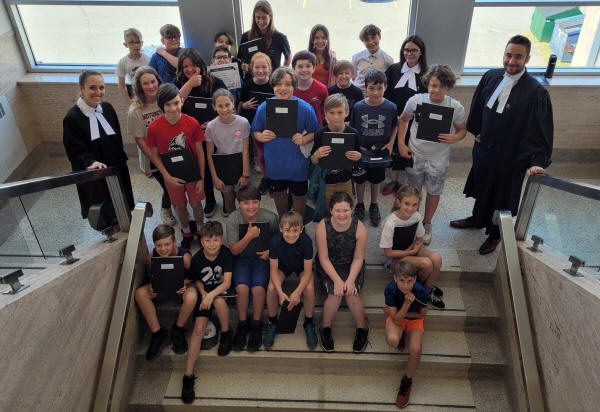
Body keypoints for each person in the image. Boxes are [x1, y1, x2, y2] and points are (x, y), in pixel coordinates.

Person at [450, 35, 553, 255]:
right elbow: (478, 105)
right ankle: (477, 219)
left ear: (527, 58)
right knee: (483, 185)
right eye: (508, 55)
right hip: (484, 149)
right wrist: (476, 131)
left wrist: (536, 162)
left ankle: (495, 234)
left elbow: (541, 131)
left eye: (518, 57)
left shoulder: (536, 92)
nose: (511, 61)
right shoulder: (491, 76)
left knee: (503, 196)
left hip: (511, 156)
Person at [397, 65, 466, 245]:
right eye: (433, 85)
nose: (436, 89)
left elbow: (462, 130)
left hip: (438, 158)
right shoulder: (416, 101)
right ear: (427, 83)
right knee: (413, 190)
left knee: (434, 191)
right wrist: (401, 144)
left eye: (441, 86)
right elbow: (403, 120)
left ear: (448, 87)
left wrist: (455, 137)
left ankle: (427, 223)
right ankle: (411, 221)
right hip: (416, 153)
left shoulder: (455, 107)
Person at [63, 70, 134, 221]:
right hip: (96, 173)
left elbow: (117, 138)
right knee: (105, 210)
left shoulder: (107, 108)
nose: (98, 92)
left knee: (123, 201)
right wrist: (90, 162)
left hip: (116, 167)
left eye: (101, 88)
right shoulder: (72, 118)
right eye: (93, 88)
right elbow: (75, 151)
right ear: (81, 88)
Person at [251, 67, 319, 218]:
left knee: (299, 196)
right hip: (275, 163)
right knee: (279, 194)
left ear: (294, 86)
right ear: (273, 86)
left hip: (298, 163)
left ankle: (298, 223)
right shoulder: (264, 108)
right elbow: (255, 131)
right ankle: (283, 221)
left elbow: (316, 132)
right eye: (278, 84)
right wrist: (261, 136)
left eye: (288, 84)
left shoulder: (305, 108)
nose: (283, 88)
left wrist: (304, 139)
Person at [146, 83, 205, 250]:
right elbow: (154, 154)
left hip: (192, 173)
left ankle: (200, 229)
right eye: (168, 104)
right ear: (161, 106)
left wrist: (201, 177)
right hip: (172, 174)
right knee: (179, 205)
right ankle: (186, 231)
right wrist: (166, 176)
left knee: (196, 204)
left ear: (182, 101)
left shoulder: (192, 122)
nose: (173, 108)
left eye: (176, 103)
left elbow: (200, 152)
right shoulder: (154, 128)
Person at [181, 221, 233, 404]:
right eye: (208, 240)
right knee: (198, 329)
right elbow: (198, 280)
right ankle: (188, 376)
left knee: (219, 302)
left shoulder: (226, 254)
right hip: (205, 295)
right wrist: (203, 294)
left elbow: (226, 283)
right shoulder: (196, 259)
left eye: (216, 240)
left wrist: (210, 295)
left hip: (219, 293)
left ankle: (226, 332)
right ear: (201, 241)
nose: (212, 244)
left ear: (221, 240)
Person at [175, 48, 227, 218]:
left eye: (194, 65)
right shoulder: (178, 83)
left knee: (219, 167)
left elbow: (227, 105)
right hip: (191, 137)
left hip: (214, 133)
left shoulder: (215, 82)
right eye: (185, 66)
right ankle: (210, 199)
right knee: (201, 169)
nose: (189, 69)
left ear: (201, 65)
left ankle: (227, 198)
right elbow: (173, 105)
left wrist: (212, 123)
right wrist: (189, 84)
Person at [226, 186, 279, 352]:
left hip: (261, 260)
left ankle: (256, 323)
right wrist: (249, 236)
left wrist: (270, 252)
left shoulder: (270, 217)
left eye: (255, 202)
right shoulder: (233, 218)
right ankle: (242, 323)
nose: (251, 206)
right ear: (239, 204)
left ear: (260, 202)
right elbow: (234, 250)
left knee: (257, 289)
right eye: (246, 203)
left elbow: (278, 242)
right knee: (241, 288)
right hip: (241, 259)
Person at [315, 192, 369, 353]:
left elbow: (359, 258)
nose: (342, 214)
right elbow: (323, 258)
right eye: (338, 210)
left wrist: (350, 280)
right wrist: (337, 281)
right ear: (331, 210)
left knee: (351, 293)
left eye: (346, 210)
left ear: (352, 210)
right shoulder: (322, 227)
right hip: (329, 264)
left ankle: (362, 328)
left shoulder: (360, 228)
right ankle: (325, 327)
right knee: (335, 293)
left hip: (351, 263)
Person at [134, 224, 196, 361]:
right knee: (140, 293)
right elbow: (151, 275)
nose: (163, 249)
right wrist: (152, 285)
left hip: (180, 289)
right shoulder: (151, 257)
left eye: (167, 244)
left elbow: (193, 276)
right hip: (162, 289)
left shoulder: (185, 257)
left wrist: (183, 284)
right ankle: (157, 333)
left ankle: (178, 328)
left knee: (192, 296)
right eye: (159, 245)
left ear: (174, 242)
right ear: (154, 245)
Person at [379, 185, 444, 309]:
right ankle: (418, 291)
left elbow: (419, 237)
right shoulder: (390, 223)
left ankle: (426, 290)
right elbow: (388, 253)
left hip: (409, 250)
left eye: (414, 205)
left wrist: (415, 248)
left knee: (436, 258)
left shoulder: (417, 216)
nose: (410, 208)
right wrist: (411, 251)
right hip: (393, 259)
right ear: (399, 202)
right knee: (427, 264)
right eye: (407, 204)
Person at [128, 66, 176, 226]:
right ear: (139, 87)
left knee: (174, 181)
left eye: (153, 81)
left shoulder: (164, 99)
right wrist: (156, 161)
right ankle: (165, 208)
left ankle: (176, 203)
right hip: (152, 157)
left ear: (158, 81)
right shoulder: (135, 110)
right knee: (167, 184)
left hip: (171, 150)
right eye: (145, 83)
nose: (151, 86)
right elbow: (140, 140)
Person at [350, 69, 397, 227]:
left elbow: (394, 126)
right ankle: (360, 203)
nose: (376, 92)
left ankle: (374, 204)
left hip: (379, 152)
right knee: (360, 178)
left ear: (386, 87)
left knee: (376, 179)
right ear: (365, 88)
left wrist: (391, 143)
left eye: (379, 88)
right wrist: (357, 146)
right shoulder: (358, 107)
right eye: (371, 88)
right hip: (362, 151)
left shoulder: (391, 107)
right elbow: (353, 129)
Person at [263, 211, 316, 350]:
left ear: (301, 229)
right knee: (271, 288)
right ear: (281, 229)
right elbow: (273, 270)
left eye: (295, 230)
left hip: (301, 267)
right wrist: (281, 293)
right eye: (287, 230)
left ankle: (309, 322)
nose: (291, 234)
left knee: (309, 288)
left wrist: (298, 292)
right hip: (283, 266)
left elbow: (308, 270)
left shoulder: (306, 241)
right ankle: (272, 322)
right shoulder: (274, 241)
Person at [382, 35, 428, 196]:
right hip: (394, 117)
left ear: (421, 52)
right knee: (394, 149)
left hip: (415, 121)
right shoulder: (394, 69)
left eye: (414, 50)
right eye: (407, 50)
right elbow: (385, 92)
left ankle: (405, 183)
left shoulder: (427, 73)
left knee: (408, 150)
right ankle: (394, 180)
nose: (409, 53)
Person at [384, 260, 428, 408]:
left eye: (410, 281)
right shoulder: (390, 289)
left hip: (412, 320)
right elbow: (396, 320)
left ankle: (406, 382)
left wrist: (399, 313)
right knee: (392, 340)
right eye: (402, 280)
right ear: (395, 278)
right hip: (399, 319)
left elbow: (421, 315)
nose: (406, 285)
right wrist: (407, 305)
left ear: (415, 279)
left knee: (415, 349)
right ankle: (401, 334)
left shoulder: (421, 290)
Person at [205, 88, 250, 216]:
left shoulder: (243, 123)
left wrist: (245, 174)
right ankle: (233, 224)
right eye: (220, 106)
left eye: (227, 105)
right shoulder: (211, 127)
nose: (224, 109)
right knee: (229, 200)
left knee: (244, 200)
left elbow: (246, 150)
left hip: (240, 166)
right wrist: (215, 178)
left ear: (233, 104)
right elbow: (209, 154)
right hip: (222, 169)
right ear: (214, 107)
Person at [310, 93, 362, 206]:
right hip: (326, 182)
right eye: (332, 113)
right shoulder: (320, 134)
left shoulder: (353, 133)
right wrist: (316, 155)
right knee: (329, 209)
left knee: (347, 208)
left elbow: (359, 158)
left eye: (340, 112)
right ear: (325, 114)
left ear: (347, 113)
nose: (336, 117)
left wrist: (358, 156)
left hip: (346, 181)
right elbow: (313, 161)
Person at [238, 52, 274, 188]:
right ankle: (265, 177)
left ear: (269, 68)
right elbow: (240, 104)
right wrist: (245, 105)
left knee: (270, 153)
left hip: (270, 125)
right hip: (253, 124)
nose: (260, 71)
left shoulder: (273, 85)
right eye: (257, 67)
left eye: (264, 67)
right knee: (260, 153)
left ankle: (273, 177)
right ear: (252, 69)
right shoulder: (247, 85)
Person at [240, 0, 291, 70]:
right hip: (252, 79)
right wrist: (244, 66)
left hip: (272, 79)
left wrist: (281, 73)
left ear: (270, 17)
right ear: (254, 17)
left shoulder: (280, 37)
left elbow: (288, 57)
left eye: (264, 18)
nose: (261, 22)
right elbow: (241, 59)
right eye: (257, 17)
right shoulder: (245, 36)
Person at [351, 24, 393, 92]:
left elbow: (388, 81)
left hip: (377, 95)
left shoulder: (388, 60)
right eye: (367, 40)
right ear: (363, 42)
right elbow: (353, 77)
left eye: (373, 37)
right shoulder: (356, 58)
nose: (371, 42)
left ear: (379, 37)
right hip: (359, 94)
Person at [292, 50, 328, 126]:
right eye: (300, 66)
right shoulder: (289, 89)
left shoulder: (322, 89)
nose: (304, 70)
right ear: (293, 68)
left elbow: (325, 111)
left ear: (314, 68)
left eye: (308, 66)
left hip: (315, 131)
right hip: (294, 130)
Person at [116, 28, 150, 104]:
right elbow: (121, 86)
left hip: (149, 95)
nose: (136, 45)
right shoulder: (122, 62)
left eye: (138, 42)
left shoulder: (148, 60)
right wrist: (129, 102)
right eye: (131, 43)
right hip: (135, 96)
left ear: (142, 43)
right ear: (125, 45)